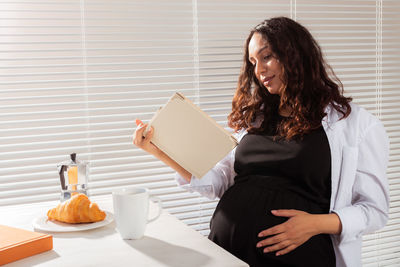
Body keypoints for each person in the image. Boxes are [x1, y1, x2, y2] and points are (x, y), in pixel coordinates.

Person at [133, 17, 389, 267]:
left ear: (296, 54)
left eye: (266, 57)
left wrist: (317, 223)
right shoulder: (255, 120)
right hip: (227, 252)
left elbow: (374, 211)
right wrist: (160, 151)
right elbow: (219, 183)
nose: (258, 70)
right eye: (253, 62)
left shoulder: (356, 125)